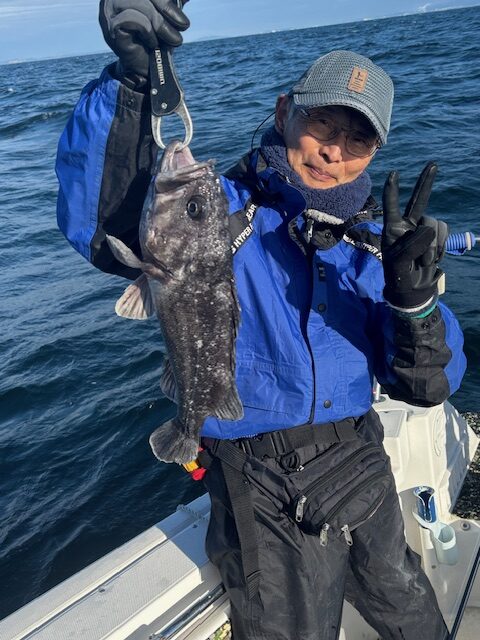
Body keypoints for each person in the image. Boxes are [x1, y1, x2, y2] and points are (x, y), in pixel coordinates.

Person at [56, 2, 467, 639]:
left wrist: (414, 304)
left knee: (412, 611)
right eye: (321, 122)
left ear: (374, 153)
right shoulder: (216, 209)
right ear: (283, 113)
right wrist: (134, 86)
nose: (333, 150)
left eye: (358, 139)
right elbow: (105, 222)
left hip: (362, 461)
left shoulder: (372, 246)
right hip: (259, 480)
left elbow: (428, 386)